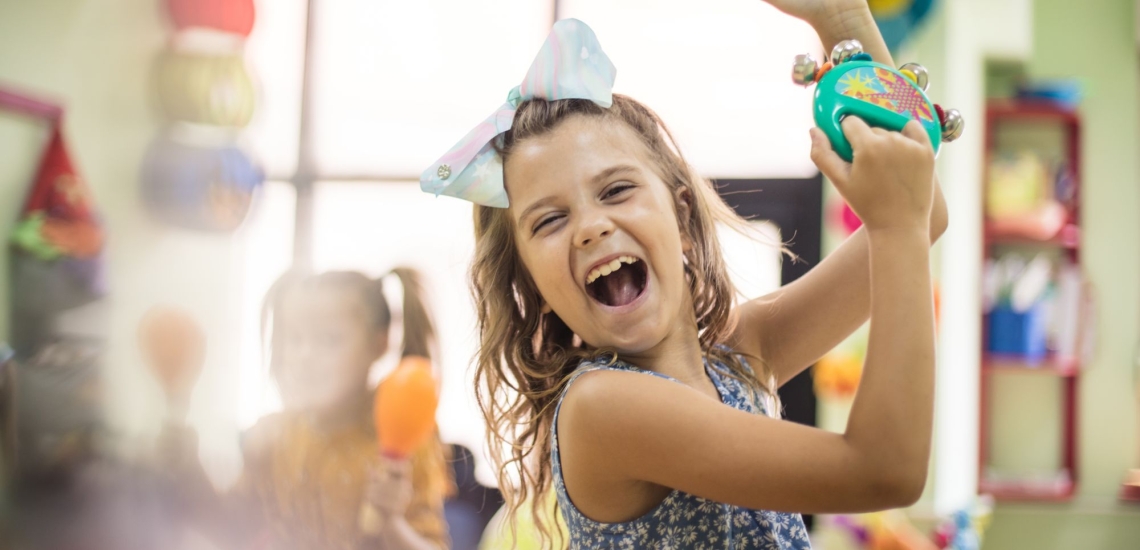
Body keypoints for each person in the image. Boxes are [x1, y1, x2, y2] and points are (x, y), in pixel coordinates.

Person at [421, 3, 947, 548]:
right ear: (532, 287)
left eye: (616, 190)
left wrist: (842, 18)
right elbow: (884, 470)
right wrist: (895, 227)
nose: (591, 227)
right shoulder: (603, 408)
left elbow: (926, 213)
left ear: (684, 219)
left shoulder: (735, 358)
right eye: (551, 220)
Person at [161, 268, 451, 549]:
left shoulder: (408, 443)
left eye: (329, 340)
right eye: (295, 339)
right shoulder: (273, 435)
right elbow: (231, 530)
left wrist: (392, 525)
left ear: (379, 344)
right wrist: (189, 469)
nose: (305, 356)